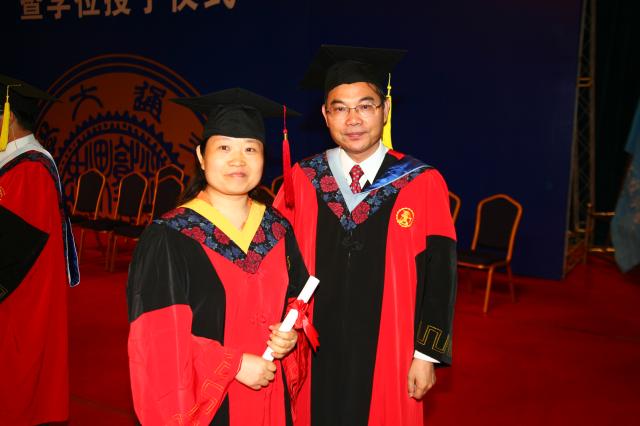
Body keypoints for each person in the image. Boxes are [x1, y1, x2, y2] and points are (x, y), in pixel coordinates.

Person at [273, 45, 457, 426]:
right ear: (325, 115)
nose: (353, 119)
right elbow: (276, 263)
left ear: (385, 110)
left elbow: (440, 276)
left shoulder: (421, 182)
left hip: (390, 348)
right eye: (340, 108)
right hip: (313, 349)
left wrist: (426, 354)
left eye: (365, 106)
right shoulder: (302, 180)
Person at [127, 88, 311, 425]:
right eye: (224, 148)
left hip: (272, 396)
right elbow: (156, 340)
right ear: (201, 156)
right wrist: (234, 364)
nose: (238, 160)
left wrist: (291, 334)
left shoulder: (277, 229)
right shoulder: (170, 236)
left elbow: (297, 301)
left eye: (250, 149)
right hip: (210, 404)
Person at [0, 75, 80, 424]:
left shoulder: (29, 170)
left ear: (8, 119)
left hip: (20, 296)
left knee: (16, 383)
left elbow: (11, 245)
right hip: (20, 286)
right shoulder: (18, 165)